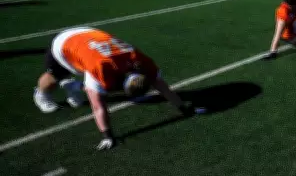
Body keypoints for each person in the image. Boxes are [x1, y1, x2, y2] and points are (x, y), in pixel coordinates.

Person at [33, 27, 203, 150]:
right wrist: (107, 135)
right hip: (65, 44)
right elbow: (98, 107)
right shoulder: (101, 68)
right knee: (54, 79)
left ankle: (74, 87)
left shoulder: (142, 62)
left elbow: (163, 87)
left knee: (101, 87)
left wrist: (182, 107)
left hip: (92, 40)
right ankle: (43, 93)